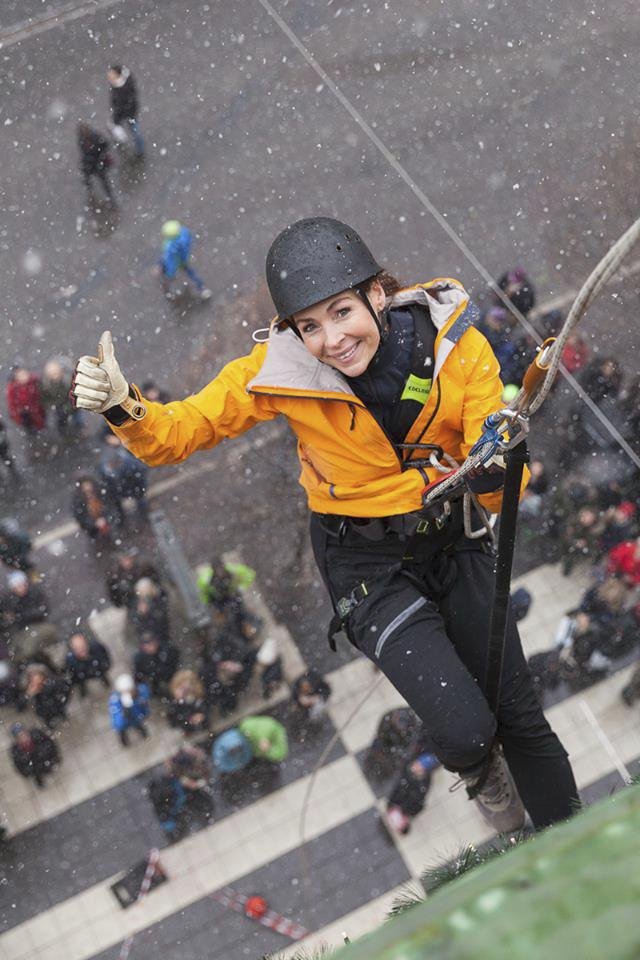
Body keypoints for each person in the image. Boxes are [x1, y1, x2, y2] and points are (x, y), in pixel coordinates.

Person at [72, 215, 579, 834]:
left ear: (378, 293)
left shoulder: (455, 347)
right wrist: (125, 405)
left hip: (454, 537)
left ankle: (571, 846)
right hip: (366, 564)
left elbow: (502, 492)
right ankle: (482, 775)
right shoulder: (283, 371)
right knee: (466, 728)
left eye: (342, 312)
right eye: (309, 326)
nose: (331, 339)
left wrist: (496, 465)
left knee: (520, 717)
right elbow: (181, 430)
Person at [157, 220, 211, 301]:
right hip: (183, 259)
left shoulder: (171, 248)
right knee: (191, 274)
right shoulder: (184, 235)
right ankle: (202, 288)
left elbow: (171, 261)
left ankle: (164, 278)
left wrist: (170, 274)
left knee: (167, 266)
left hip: (178, 261)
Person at [71, 474, 123, 541]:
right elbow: (80, 517)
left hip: (110, 526)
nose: (87, 488)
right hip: (93, 531)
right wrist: (94, 523)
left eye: (88, 485)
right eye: (84, 486)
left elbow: (112, 507)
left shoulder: (101, 493)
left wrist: (106, 520)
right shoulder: (78, 501)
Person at [107, 64, 144, 157]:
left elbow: (127, 102)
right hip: (123, 112)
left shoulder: (125, 86)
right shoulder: (116, 84)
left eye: (111, 74)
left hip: (129, 113)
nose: (109, 77)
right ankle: (126, 143)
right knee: (128, 129)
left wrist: (118, 114)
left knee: (135, 132)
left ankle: (140, 150)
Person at [10, 722, 60, 788]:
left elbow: (51, 744)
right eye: (20, 737)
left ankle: (49, 769)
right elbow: (19, 766)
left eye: (24, 734)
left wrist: (54, 757)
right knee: (38, 774)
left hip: (44, 758)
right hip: (35, 767)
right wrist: (29, 771)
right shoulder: (16, 750)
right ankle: (40, 780)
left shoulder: (37, 734)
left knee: (50, 766)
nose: (24, 738)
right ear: (17, 739)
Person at [41, 358, 82, 436]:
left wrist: (68, 407)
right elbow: (45, 398)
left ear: (60, 370)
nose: (54, 376)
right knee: (60, 422)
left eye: (56, 373)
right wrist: (54, 405)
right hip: (58, 408)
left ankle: (79, 430)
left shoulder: (70, 380)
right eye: (51, 374)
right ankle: (64, 433)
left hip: (72, 406)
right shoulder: (46, 383)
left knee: (77, 420)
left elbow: (76, 395)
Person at [77, 122, 114, 204]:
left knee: (103, 180)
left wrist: (99, 154)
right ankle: (90, 189)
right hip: (89, 162)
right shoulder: (81, 139)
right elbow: (83, 150)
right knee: (86, 176)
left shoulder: (96, 137)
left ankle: (110, 196)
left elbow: (106, 144)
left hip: (98, 161)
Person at [65, 631, 111, 697]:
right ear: (73, 650)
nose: (81, 650)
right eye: (77, 648)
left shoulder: (96, 647)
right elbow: (72, 675)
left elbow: (106, 658)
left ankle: (105, 682)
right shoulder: (70, 660)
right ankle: (83, 691)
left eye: (83, 646)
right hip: (82, 675)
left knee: (102, 676)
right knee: (81, 683)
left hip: (98, 669)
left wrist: (104, 668)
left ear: (87, 644)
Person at [23, 663, 70, 727]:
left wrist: (44, 688)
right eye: (32, 677)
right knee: (49, 722)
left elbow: (64, 689)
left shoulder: (53, 681)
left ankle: (63, 719)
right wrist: (28, 695)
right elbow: (22, 706)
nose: (35, 679)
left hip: (57, 705)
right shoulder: (30, 688)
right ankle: (51, 725)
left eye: (36, 676)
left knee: (61, 713)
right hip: (44, 712)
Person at [133, 632, 180, 696]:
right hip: (151, 687)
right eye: (146, 644)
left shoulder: (167, 652)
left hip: (168, 683)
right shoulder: (140, 658)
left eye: (150, 643)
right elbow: (138, 676)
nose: (148, 647)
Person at [109, 673, 150, 745]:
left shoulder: (140, 692)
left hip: (136, 718)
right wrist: (124, 712)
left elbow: (145, 699)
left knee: (139, 727)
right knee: (122, 732)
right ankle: (125, 742)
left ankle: (145, 736)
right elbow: (117, 719)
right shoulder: (115, 700)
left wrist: (138, 700)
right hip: (125, 721)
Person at [6, 363, 46, 433]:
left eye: (23, 373)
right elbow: (12, 406)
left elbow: (43, 396)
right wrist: (20, 418)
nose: (23, 377)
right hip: (26, 417)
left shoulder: (35, 381)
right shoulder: (13, 388)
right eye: (19, 375)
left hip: (40, 413)